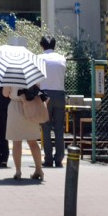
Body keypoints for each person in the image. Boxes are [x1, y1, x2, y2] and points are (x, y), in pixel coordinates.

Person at [3, 84, 46, 181]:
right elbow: (37, 88)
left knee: (16, 141)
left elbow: (5, 94)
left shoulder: (10, 75)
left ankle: (18, 171)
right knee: (33, 142)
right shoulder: (32, 72)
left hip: (15, 106)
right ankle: (39, 169)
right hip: (31, 106)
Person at [37, 35, 69, 167]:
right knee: (59, 129)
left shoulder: (38, 58)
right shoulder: (62, 58)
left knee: (45, 128)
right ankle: (59, 158)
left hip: (45, 95)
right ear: (54, 45)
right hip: (60, 95)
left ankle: (48, 159)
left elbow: (36, 79)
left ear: (42, 45)